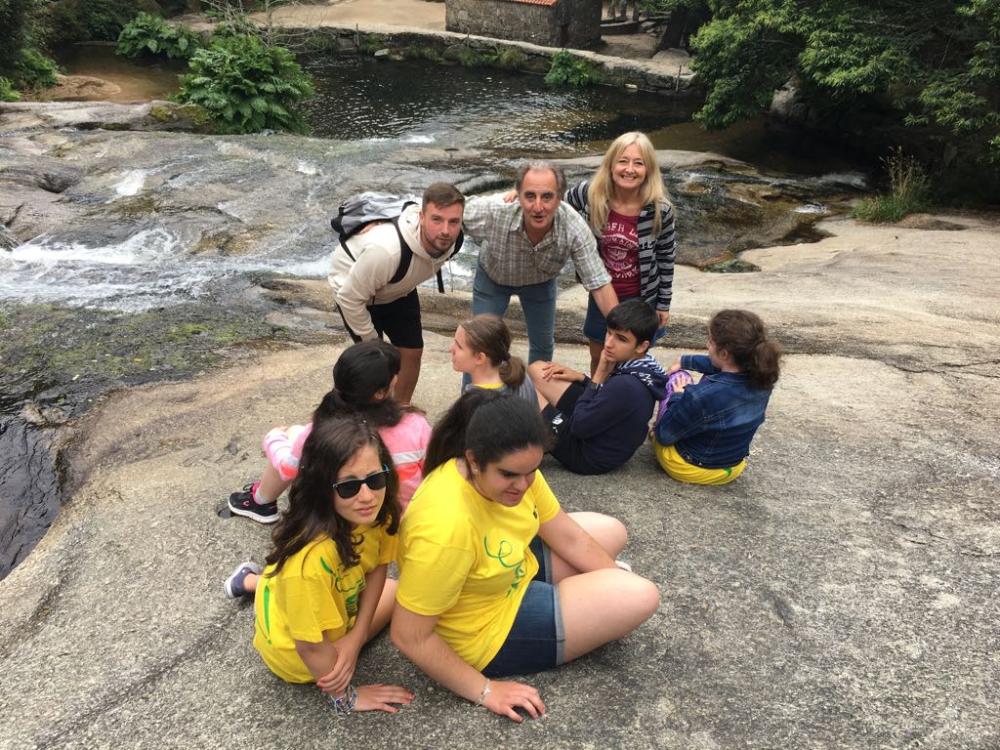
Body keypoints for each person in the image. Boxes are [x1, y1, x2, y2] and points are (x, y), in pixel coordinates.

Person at [391, 393, 659, 723]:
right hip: (482, 632)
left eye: (531, 471)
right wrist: (484, 689)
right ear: (474, 460)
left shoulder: (516, 462)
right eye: (509, 476)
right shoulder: (444, 529)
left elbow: (567, 533)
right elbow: (409, 636)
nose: (522, 485)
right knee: (642, 595)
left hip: (501, 572)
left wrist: (610, 581)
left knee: (612, 532)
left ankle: (597, 594)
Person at [223, 417, 414, 716]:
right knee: (307, 592)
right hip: (297, 654)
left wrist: (356, 638)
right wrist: (346, 698)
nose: (367, 496)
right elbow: (309, 647)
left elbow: (379, 566)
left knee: (398, 592)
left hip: (331, 609)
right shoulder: (309, 562)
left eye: (375, 479)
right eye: (348, 486)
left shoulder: (378, 512)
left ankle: (250, 581)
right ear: (321, 486)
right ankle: (253, 582)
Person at [227, 340, 431, 523]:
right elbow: (431, 471)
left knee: (293, 436)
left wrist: (273, 437)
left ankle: (260, 501)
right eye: (394, 372)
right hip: (402, 517)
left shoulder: (322, 431)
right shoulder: (415, 425)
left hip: (349, 518)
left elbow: (288, 468)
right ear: (380, 392)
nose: (397, 375)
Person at [463, 162, 618, 365]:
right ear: (518, 195)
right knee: (479, 343)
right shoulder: (497, 209)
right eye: (529, 196)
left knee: (543, 345)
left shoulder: (574, 227)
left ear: (560, 197)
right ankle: (473, 396)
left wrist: (622, 330)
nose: (538, 207)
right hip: (493, 278)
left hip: (540, 282)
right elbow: (451, 210)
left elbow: (599, 283)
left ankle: (539, 393)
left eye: (547, 197)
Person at [328, 182, 465, 404]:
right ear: (421, 217)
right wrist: (373, 344)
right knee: (375, 364)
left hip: (398, 287)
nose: (445, 231)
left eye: (453, 222)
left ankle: (399, 412)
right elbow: (349, 298)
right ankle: (362, 415)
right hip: (356, 291)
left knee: (412, 353)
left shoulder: (454, 240)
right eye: (437, 219)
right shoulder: (386, 252)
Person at [564, 132, 677, 374]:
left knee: (632, 357)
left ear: (648, 169)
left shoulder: (659, 209)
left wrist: (664, 304)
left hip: (642, 298)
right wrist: (517, 196)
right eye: (623, 161)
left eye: (639, 163)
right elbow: (556, 204)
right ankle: (597, 397)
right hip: (602, 291)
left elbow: (666, 258)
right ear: (611, 164)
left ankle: (625, 398)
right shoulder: (589, 194)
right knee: (599, 353)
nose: (630, 169)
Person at [529, 299, 667, 475]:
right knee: (538, 369)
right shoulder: (643, 367)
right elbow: (608, 400)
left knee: (524, 389)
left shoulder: (627, 385)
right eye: (609, 333)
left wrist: (599, 375)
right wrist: (582, 379)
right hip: (598, 431)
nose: (609, 343)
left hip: (587, 455)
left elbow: (579, 426)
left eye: (621, 339)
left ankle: (528, 445)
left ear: (642, 346)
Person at [652, 309, 781, 485]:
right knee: (709, 379)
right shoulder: (762, 377)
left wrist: (678, 394)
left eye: (711, 341)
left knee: (679, 378)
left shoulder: (701, 396)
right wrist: (685, 360)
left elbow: (664, 436)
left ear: (725, 353)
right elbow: (720, 367)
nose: (707, 345)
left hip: (689, 467)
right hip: (732, 468)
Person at [450, 314, 536, 403]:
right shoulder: (522, 378)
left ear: (480, 358)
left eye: (459, 346)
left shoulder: (473, 403)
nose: (451, 349)